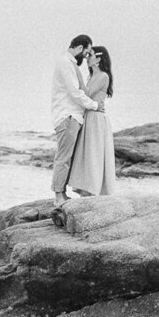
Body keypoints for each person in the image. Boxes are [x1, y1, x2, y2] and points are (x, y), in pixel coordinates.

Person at [50, 34, 99, 207]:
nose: (86, 58)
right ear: (79, 48)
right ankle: (58, 196)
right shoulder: (65, 63)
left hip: (72, 116)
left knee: (67, 157)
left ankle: (61, 193)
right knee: (64, 157)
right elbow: (74, 91)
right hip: (68, 116)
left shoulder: (68, 63)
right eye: (86, 53)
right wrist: (93, 105)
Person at [68, 45, 115, 198]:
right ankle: (86, 190)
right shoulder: (92, 76)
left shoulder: (103, 76)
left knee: (94, 154)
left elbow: (86, 94)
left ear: (98, 59)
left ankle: (94, 190)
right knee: (85, 155)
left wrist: (75, 72)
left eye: (91, 55)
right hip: (89, 117)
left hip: (96, 119)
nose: (87, 58)